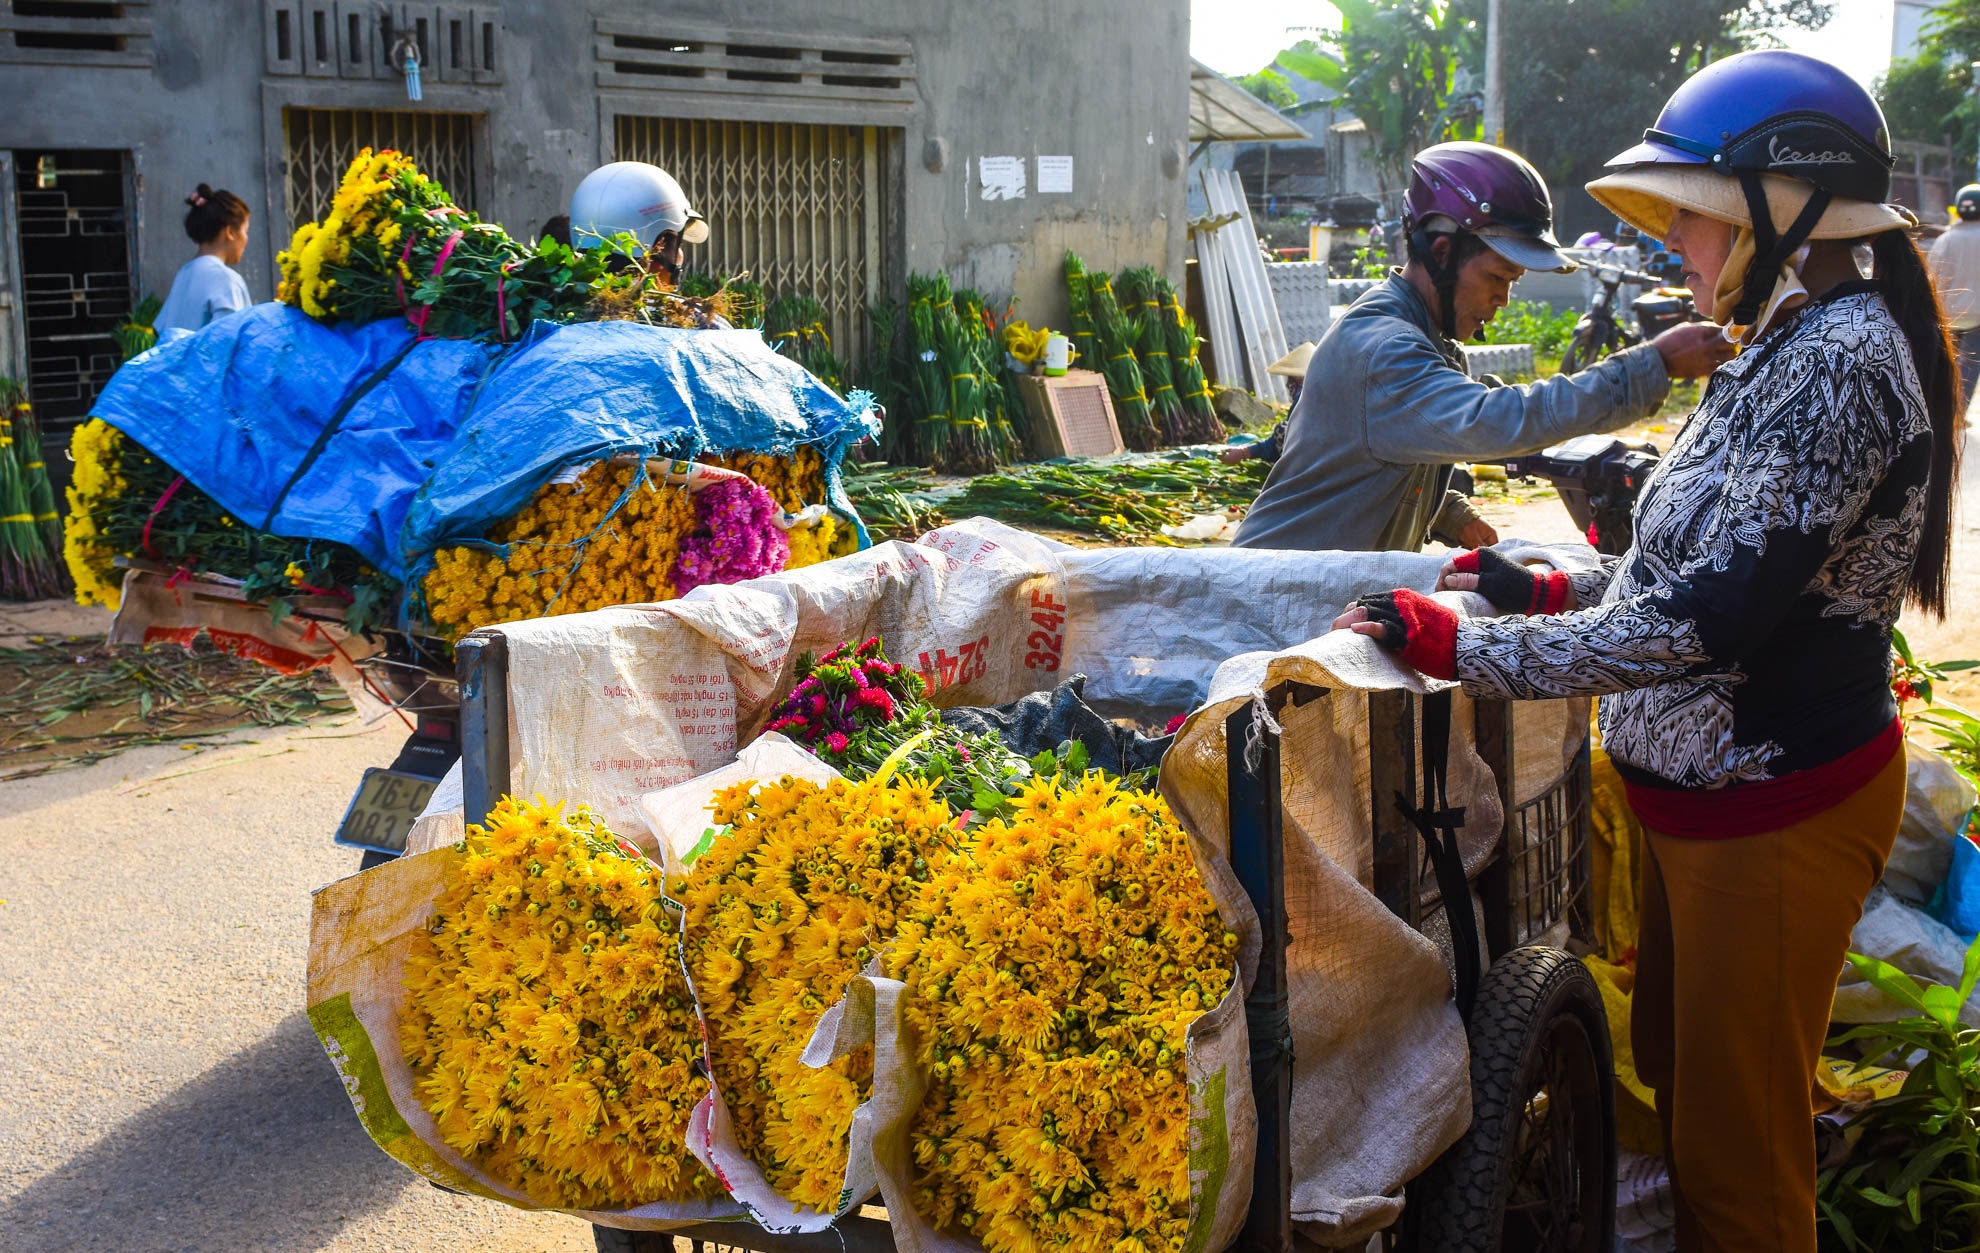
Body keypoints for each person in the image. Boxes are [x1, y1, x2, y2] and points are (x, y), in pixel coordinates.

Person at [1335, 50, 1956, 1253]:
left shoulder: (1838, 363)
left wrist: (1469, 644)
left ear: (1789, 210)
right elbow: (1697, 573)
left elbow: (1696, 623)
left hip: (1769, 812)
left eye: (1698, 218)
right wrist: (1547, 580)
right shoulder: (1787, 341)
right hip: (1713, 806)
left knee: (1738, 1157)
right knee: (1695, 1086)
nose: (1678, 242)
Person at [1232, 142, 1729, 554]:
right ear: (1443, 254)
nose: (1503, 298)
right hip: (1273, 603)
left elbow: (1368, 460)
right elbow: (1499, 421)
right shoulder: (1384, 349)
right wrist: (1654, 364)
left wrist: (1448, 512)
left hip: (1315, 592)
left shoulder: (1424, 337)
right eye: (1496, 276)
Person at [567, 160, 708, 283]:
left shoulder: (560, 304)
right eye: (677, 244)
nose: (680, 257)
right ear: (657, 248)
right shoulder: (678, 312)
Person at [154, 184, 252, 335]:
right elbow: (228, 343)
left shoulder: (184, 274)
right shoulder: (227, 281)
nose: (246, 239)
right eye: (245, 231)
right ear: (230, 232)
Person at [1927, 182, 1980, 413]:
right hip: (1978, 315)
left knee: (1949, 364)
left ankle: (1945, 410)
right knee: (1970, 364)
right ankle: (1959, 411)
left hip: (1948, 314)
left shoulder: (1945, 240)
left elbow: (1931, 277)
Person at [1221, 342, 1313, 466]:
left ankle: (1297, 473)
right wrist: (1245, 452)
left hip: (1320, 456)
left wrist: (1243, 453)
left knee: (1283, 430)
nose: (1288, 384)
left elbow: (1288, 436)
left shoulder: (1305, 400)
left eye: (1293, 378)